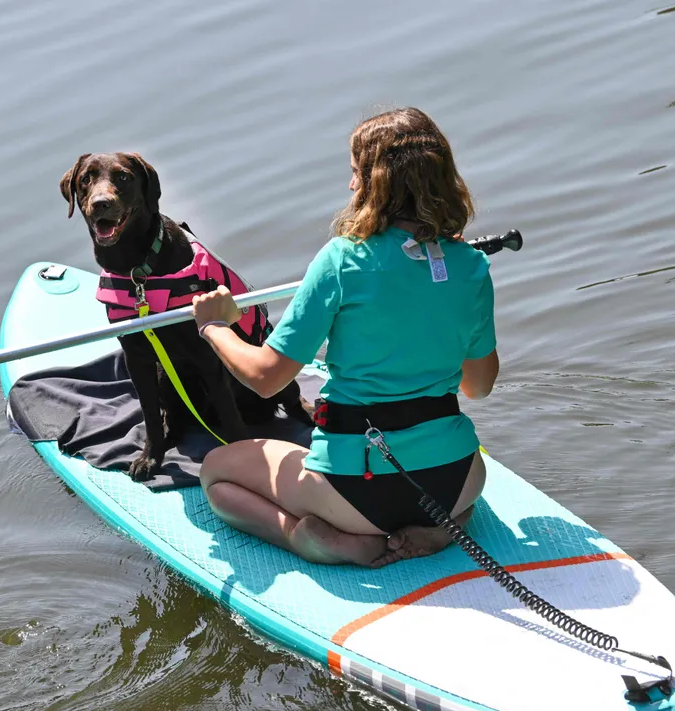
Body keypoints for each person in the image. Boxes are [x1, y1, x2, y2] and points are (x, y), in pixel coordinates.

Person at [190, 107, 499, 567]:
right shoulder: (470, 266)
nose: (352, 185)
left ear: (378, 184)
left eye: (356, 173)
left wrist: (214, 325)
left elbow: (266, 378)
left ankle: (314, 539)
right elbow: (478, 385)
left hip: (358, 488)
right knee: (462, 486)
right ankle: (438, 530)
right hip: (457, 481)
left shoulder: (341, 260)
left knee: (216, 474)